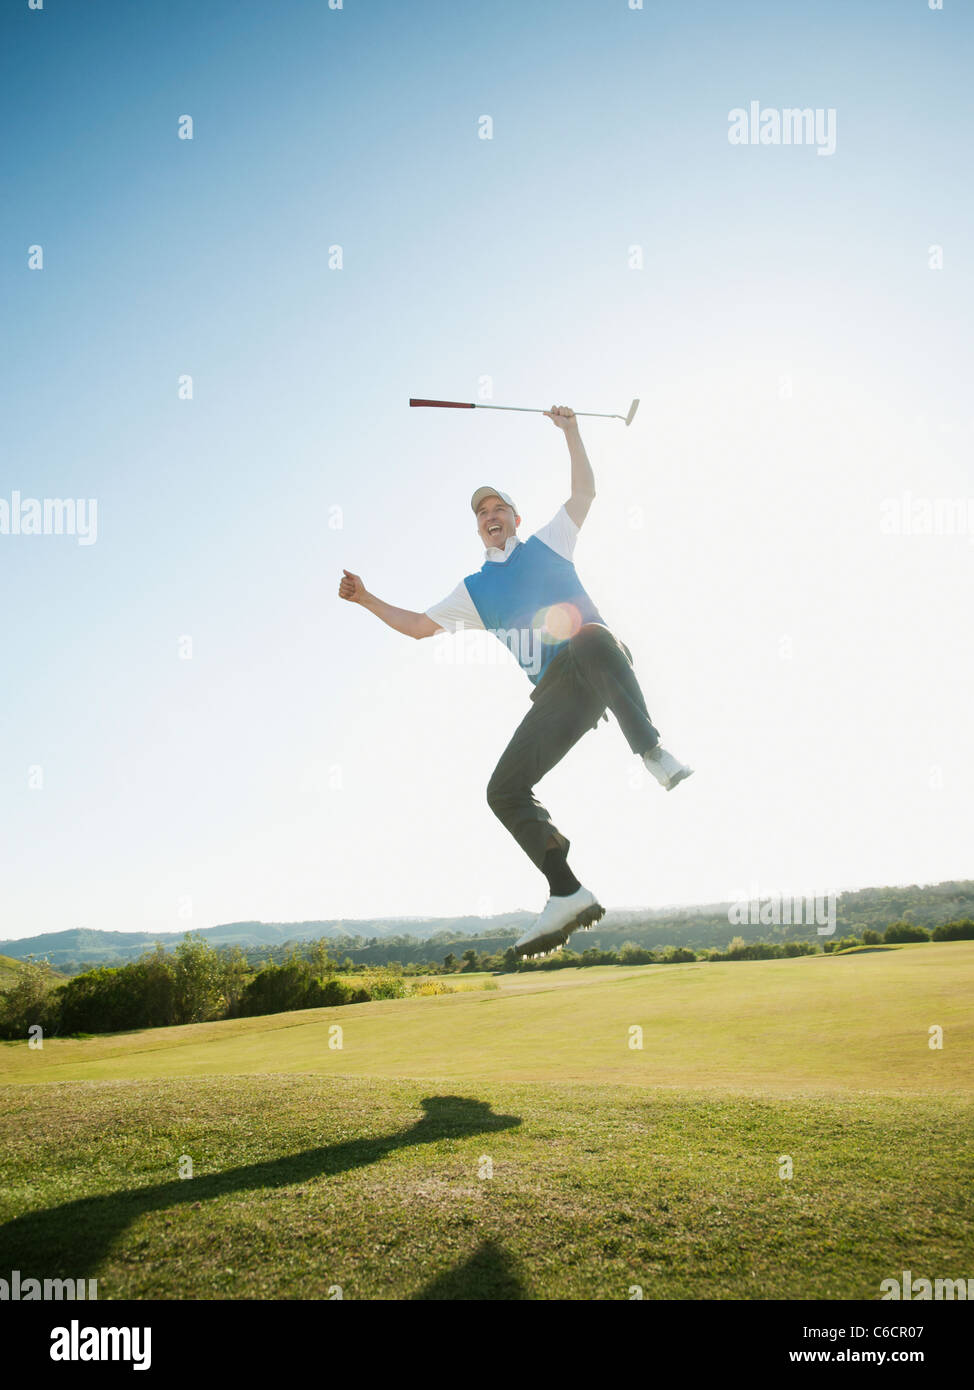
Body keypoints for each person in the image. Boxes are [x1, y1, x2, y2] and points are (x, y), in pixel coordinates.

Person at [338, 405, 692, 957]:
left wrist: (571, 432)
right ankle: (566, 891)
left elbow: (585, 493)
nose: (489, 514)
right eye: (481, 511)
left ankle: (651, 750)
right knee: (502, 791)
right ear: (478, 527)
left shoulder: (551, 542)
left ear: (517, 518)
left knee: (589, 634)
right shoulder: (474, 590)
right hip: (557, 695)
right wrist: (364, 598)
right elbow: (415, 628)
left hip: (598, 661)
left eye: (498, 506)